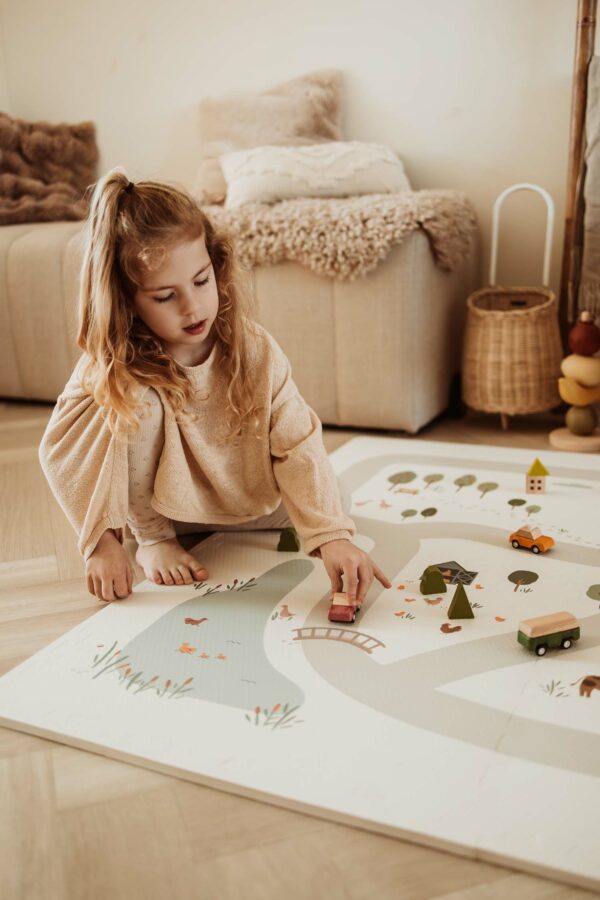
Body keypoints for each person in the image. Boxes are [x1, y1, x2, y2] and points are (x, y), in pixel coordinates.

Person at [38, 167, 392, 606]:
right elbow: (62, 449)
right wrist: (101, 542)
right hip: (162, 510)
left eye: (202, 281)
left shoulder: (253, 347)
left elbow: (297, 442)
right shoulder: (112, 363)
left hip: (241, 499)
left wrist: (332, 537)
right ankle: (152, 540)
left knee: (335, 501)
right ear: (126, 301)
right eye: (165, 297)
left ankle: (230, 525)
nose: (192, 307)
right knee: (134, 400)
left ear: (216, 264)